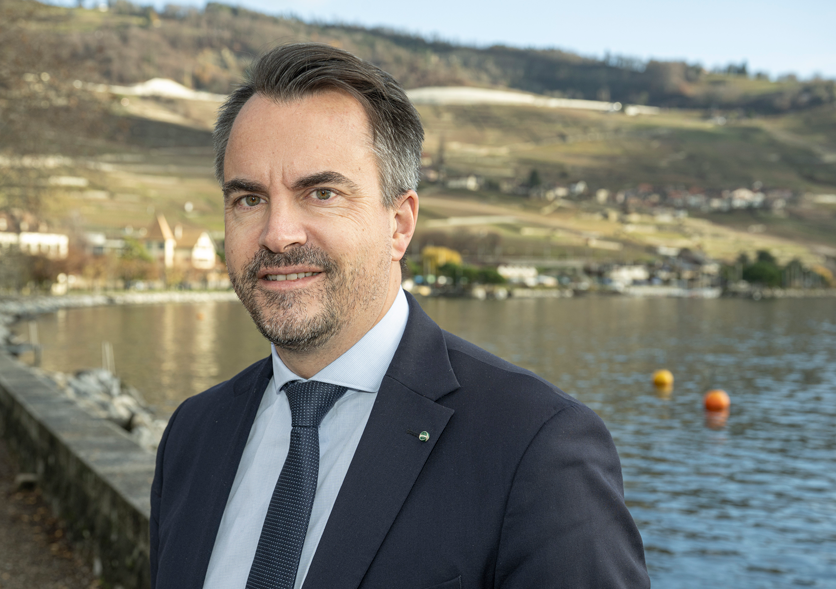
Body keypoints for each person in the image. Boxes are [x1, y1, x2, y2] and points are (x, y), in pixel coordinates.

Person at [150, 43, 650, 589]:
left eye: (321, 192)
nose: (277, 234)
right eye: (249, 199)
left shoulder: (533, 447)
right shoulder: (193, 434)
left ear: (399, 224)